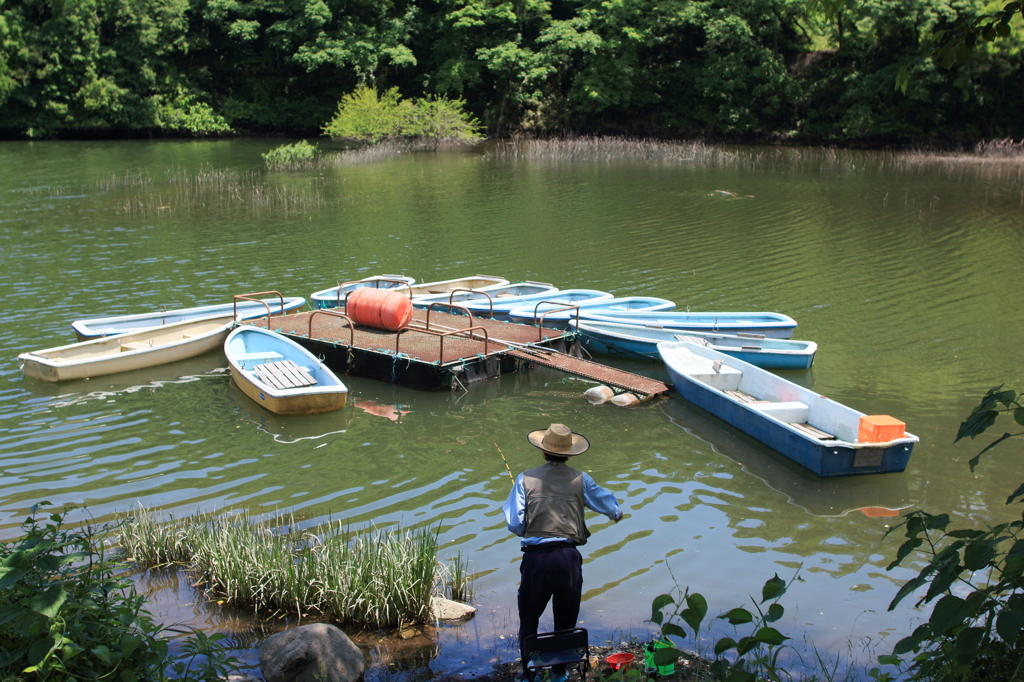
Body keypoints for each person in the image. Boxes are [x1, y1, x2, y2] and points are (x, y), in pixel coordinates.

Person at [503, 423, 624, 682]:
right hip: (568, 558)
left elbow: (514, 523)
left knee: (529, 617)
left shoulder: (524, 478)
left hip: (536, 559)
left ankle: (529, 673)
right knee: (566, 617)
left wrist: (528, 528)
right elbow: (608, 504)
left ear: (543, 451)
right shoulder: (581, 479)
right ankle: (559, 673)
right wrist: (616, 512)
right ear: (569, 454)